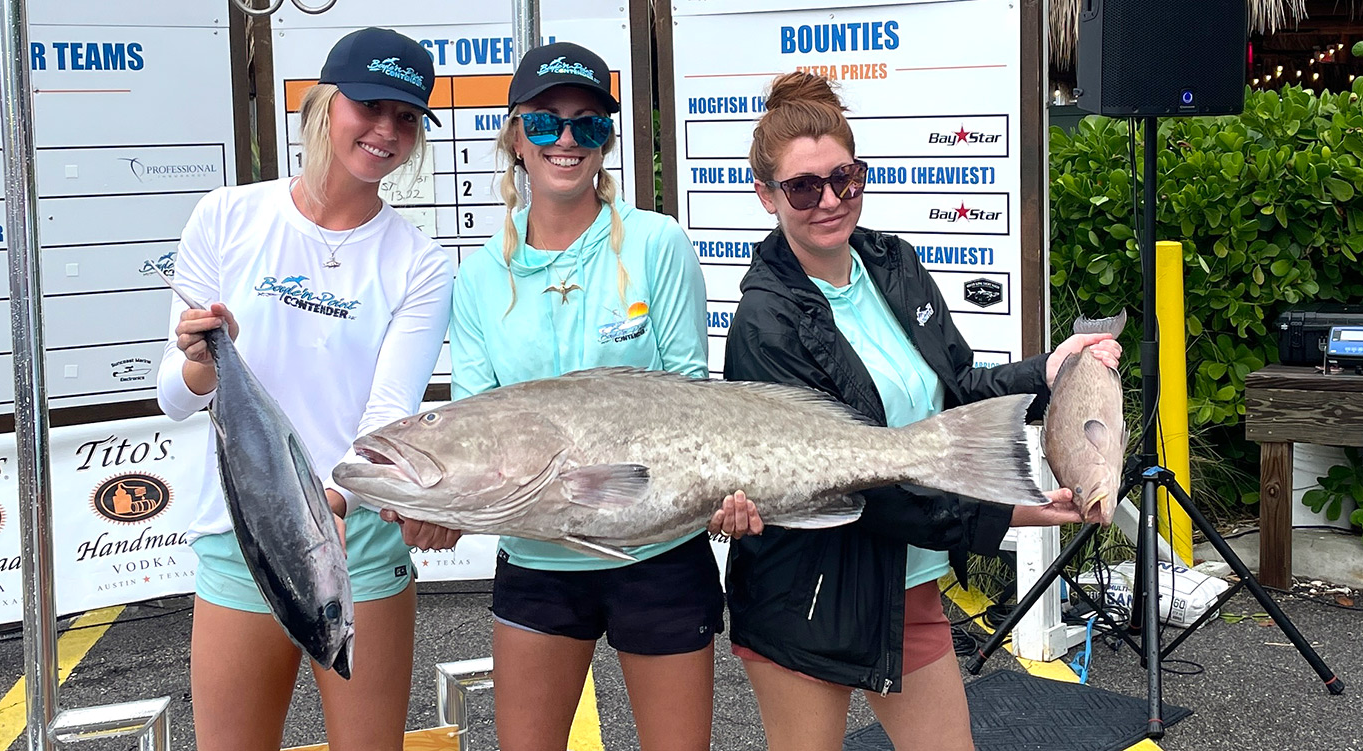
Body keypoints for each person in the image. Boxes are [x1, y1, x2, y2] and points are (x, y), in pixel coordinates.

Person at [721, 71, 1122, 751]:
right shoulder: (766, 323)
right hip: (808, 595)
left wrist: (1048, 371)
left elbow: (956, 389)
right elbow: (858, 485)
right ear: (766, 195)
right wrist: (1015, 512)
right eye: (803, 186)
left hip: (909, 585)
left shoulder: (892, 262)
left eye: (844, 178)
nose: (829, 200)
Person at [447, 41, 761, 751]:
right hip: (537, 561)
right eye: (545, 123)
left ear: (606, 143)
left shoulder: (657, 245)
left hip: (662, 553)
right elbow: (476, 426)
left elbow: (691, 405)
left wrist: (725, 490)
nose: (566, 140)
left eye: (587, 125)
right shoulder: (476, 279)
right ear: (514, 139)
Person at [156, 27, 459, 751]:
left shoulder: (420, 262)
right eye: (370, 106)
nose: (386, 130)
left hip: (355, 541)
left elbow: (388, 414)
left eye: (407, 117)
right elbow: (175, 395)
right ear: (325, 106)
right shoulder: (227, 217)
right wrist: (201, 357)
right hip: (241, 537)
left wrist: (337, 498)